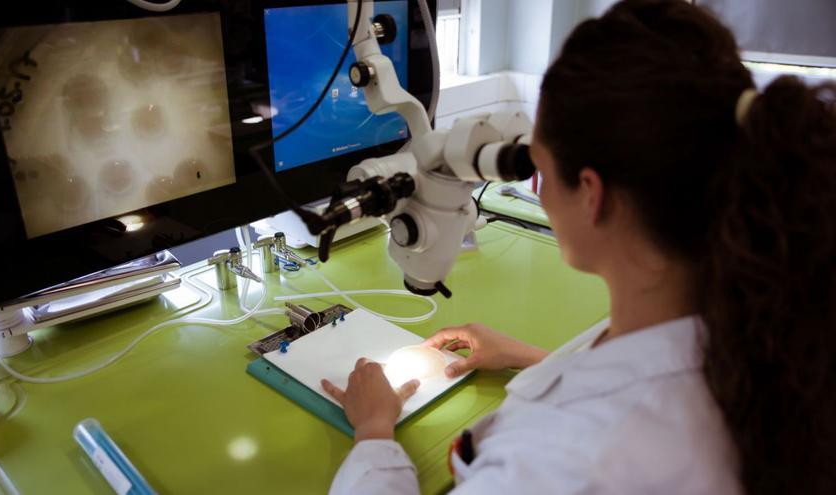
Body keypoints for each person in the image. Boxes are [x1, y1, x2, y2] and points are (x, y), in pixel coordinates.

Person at [321, 0, 836, 493]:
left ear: (591, 195)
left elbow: (605, 429)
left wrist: (374, 434)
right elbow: (653, 383)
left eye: (537, 165)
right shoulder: (753, 323)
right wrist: (536, 360)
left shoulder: (568, 462)